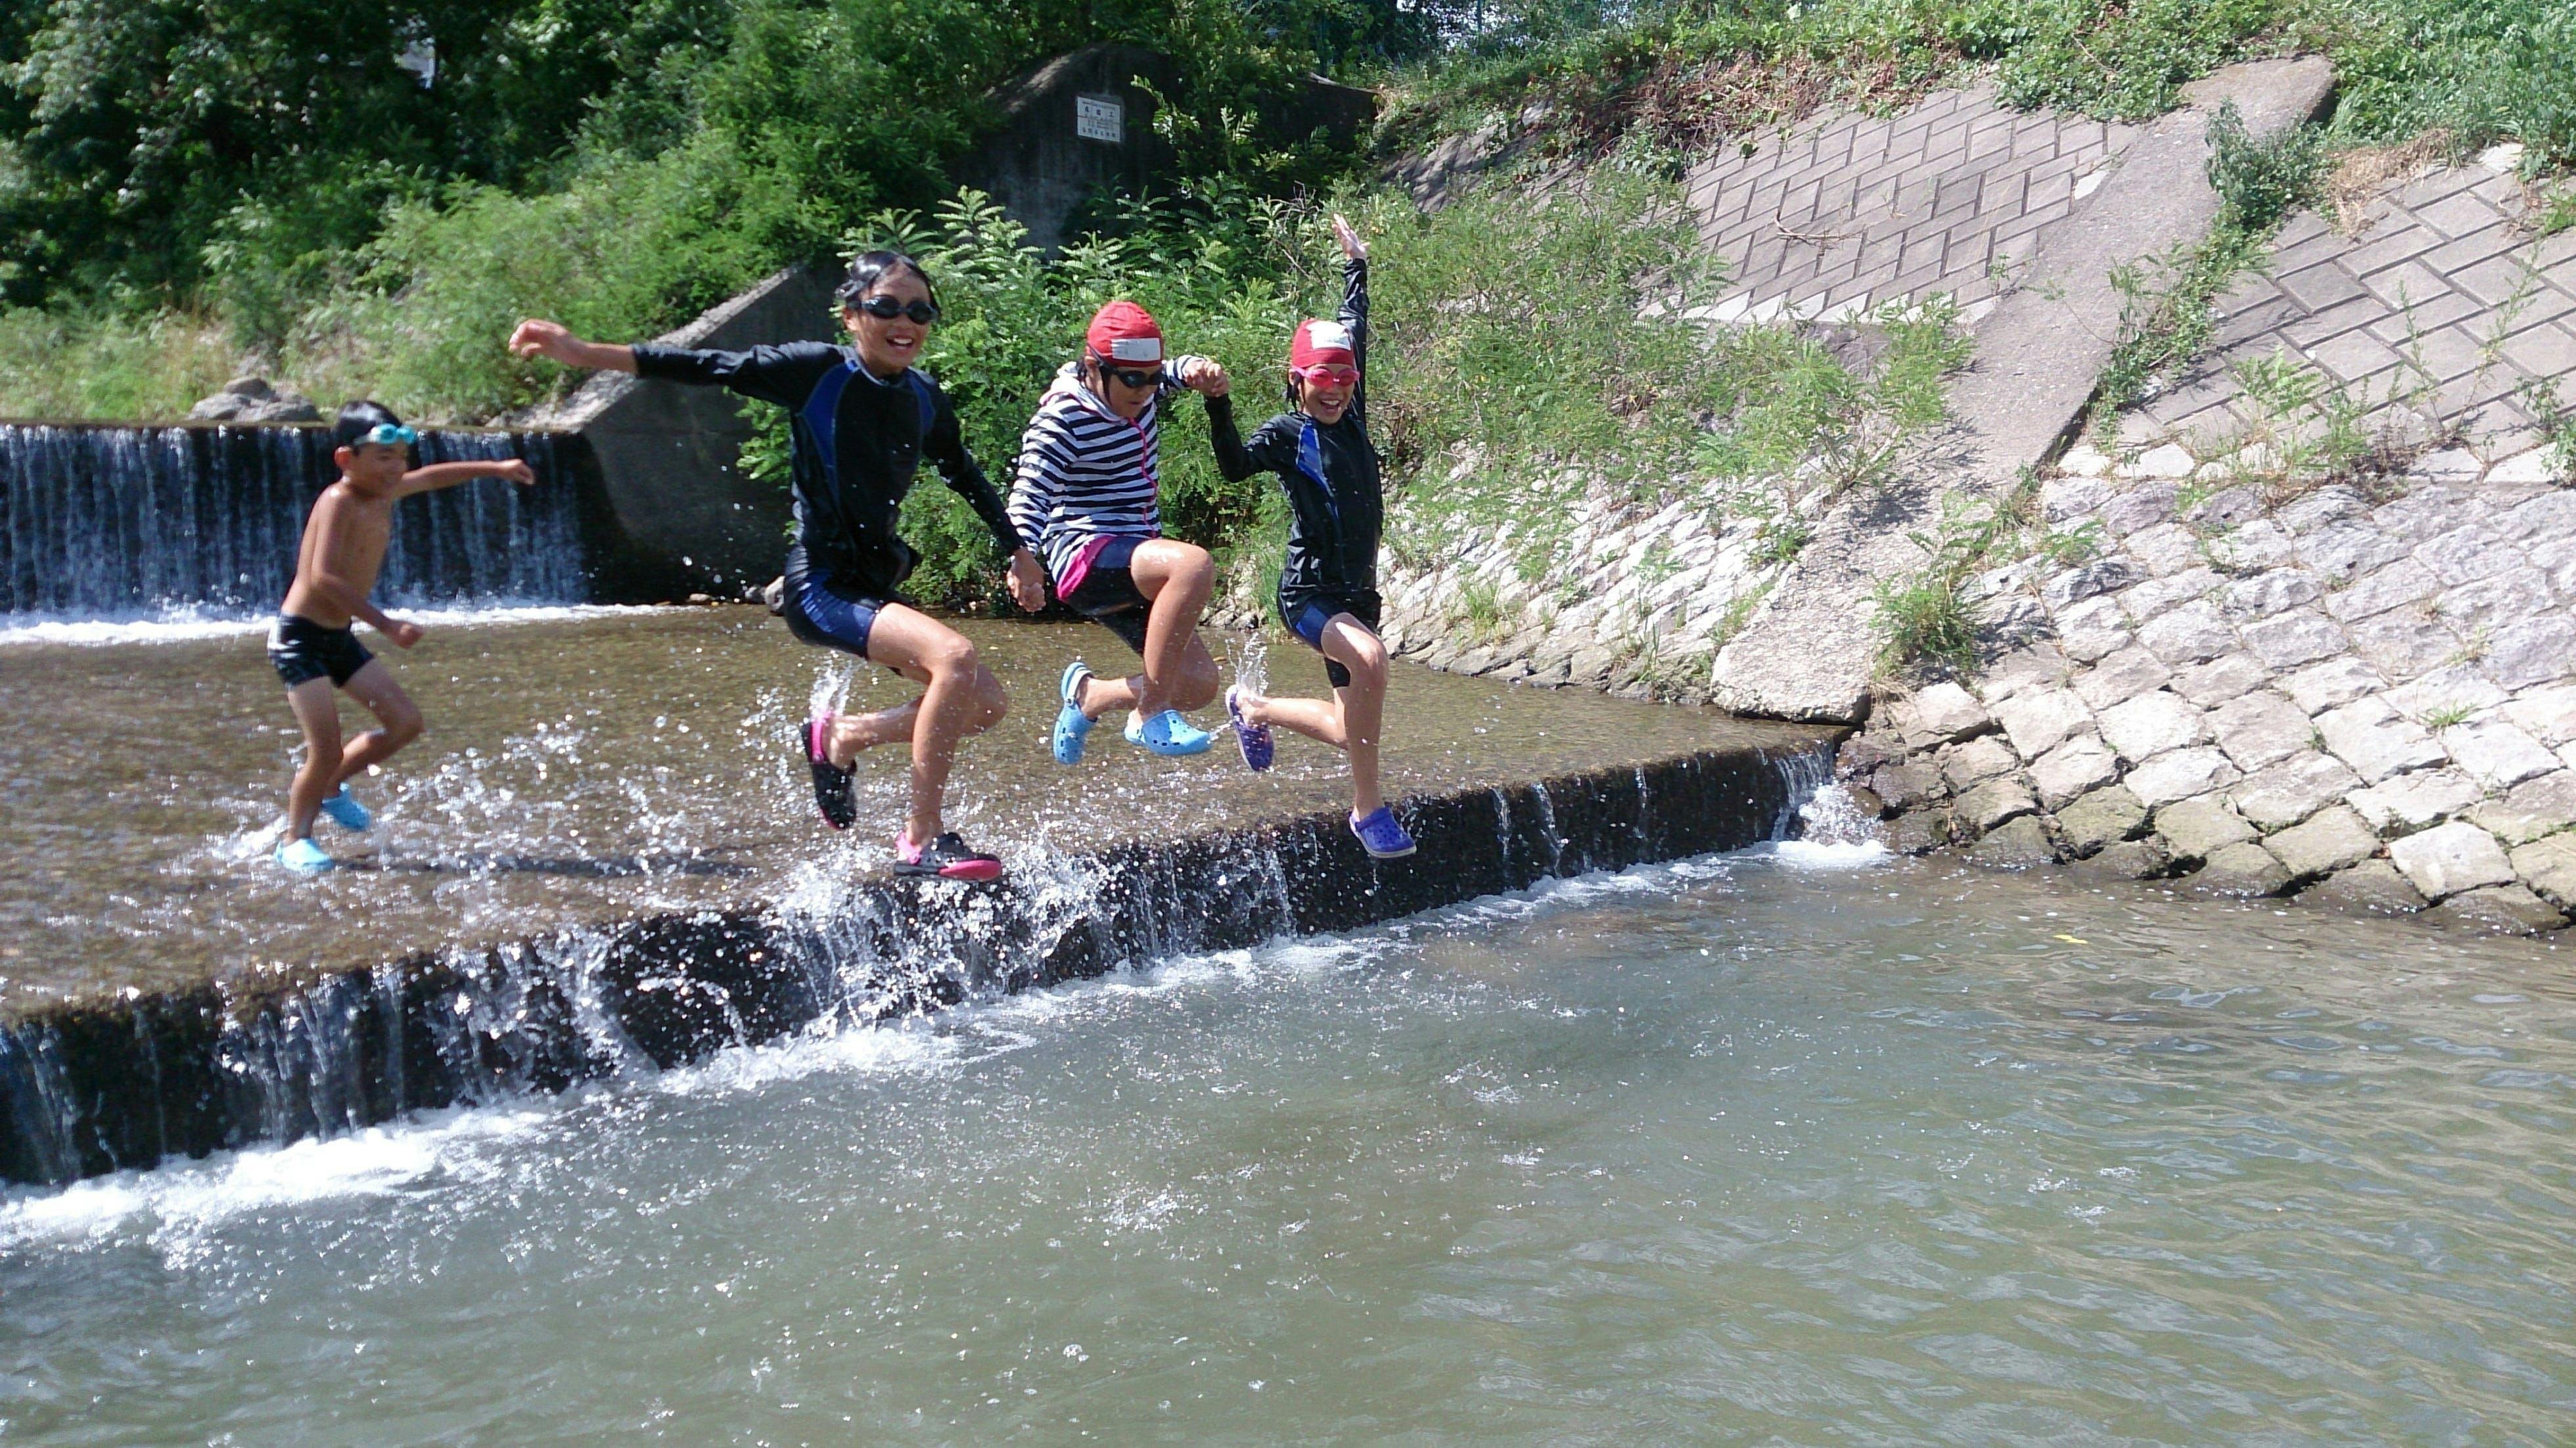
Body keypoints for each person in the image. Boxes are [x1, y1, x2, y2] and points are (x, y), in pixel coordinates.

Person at [507, 252, 1048, 882]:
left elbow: (964, 473)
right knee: (953, 657)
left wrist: (1018, 549)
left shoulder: (924, 397)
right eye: (886, 307)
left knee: (983, 704)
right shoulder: (814, 373)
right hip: (819, 585)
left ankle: (842, 737)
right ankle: (920, 840)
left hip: (874, 583)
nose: (905, 322)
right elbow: (707, 365)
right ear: (852, 316)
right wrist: (583, 353)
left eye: (919, 311)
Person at [1208, 215, 1415, 859]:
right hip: (1308, 595)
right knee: (1372, 660)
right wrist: (1218, 404)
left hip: (1358, 595)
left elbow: (1354, 323)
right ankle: (1367, 810)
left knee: (1348, 727)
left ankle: (1253, 709)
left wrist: (1357, 264)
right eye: (1322, 381)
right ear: (1297, 379)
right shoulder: (1285, 433)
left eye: (1344, 381)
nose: (1335, 392)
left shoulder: (1352, 413)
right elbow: (1234, 466)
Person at [269, 402, 538, 873]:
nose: (396, 469)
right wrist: (387, 625)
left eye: (401, 458)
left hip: (338, 636)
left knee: (405, 723)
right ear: (346, 459)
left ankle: (330, 786)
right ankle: (295, 838)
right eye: (383, 458)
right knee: (325, 746)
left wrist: (494, 468)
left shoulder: (385, 491)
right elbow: (321, 578)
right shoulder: (338, 501)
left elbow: (433, 477)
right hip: (300, 640)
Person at [1008, 300, 1232, 764]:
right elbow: (1029, 494)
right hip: (1085, 554)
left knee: (1198, 684)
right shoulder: (1062, 418)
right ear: (1094, 367)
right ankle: (1152, 714)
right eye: (1133, 380)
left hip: (1136, 551)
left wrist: (1197, 370)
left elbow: (1172, 372)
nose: (1145, 390)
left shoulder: (1141, 385)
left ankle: (1091, 696)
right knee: (1192, 565)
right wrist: (1022, 560)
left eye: (1152, 378)